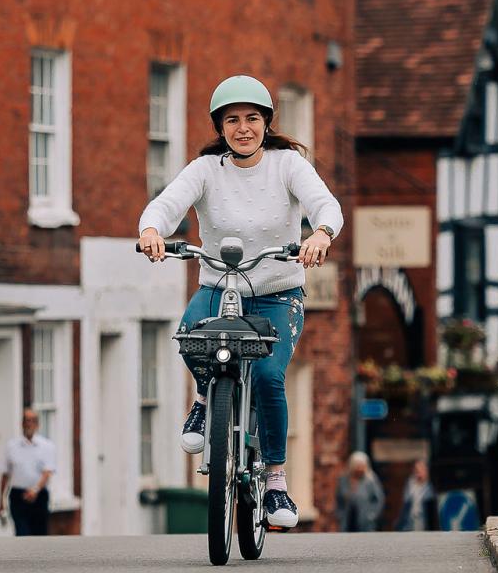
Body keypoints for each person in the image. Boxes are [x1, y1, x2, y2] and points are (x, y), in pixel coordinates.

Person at [138, 74, 344, 531]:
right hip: (218, 285)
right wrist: (152, 231)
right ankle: (205, 398)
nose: (243, 128)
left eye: (253, 118)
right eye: (233, 120)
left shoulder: (288, 164)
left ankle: (274, 481)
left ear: (267, 123)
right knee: (191, 337)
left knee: (269, 375)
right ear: (221, 127)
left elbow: (326, 206)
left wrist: (321, 235)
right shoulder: (207, 169)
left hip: (276, 294)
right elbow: (166, 205)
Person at [0, 408, 58, 536]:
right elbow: (5, 474)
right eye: (26, 420)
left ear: (37, 424)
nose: (29, 424)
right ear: (22, 423)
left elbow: (47, 472)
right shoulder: (11, 446)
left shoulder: (47, 446)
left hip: (39, 496)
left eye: (32, 421)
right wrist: (1, 500)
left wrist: (35, 490)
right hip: (18, 496)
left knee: (39, 535)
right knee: (22, 533)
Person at [337, 451, 386, 532]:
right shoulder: (344, 479)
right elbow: (339, 498)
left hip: (365, 521)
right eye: (357, 466)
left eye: (361, 466)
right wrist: (340, 514)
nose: (359, 468)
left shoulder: (371, 480)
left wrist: (372, 515)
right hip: (347, 519)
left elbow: (379, 499)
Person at [394, 459, 437, 532]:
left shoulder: (429, 488)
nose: (418, 473)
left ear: (425, 471)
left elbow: (432, 513)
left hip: (423, 523)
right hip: (409, 523)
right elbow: (406, 505)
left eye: (420, 470)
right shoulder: (410, 484)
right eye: (416, 470)